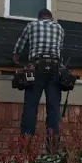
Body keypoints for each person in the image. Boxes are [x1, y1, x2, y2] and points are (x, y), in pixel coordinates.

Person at [13, 9, 64, 150]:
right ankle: (52, 147)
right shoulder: (59, 28)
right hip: (54, 68)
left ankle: (26, 147)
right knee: (53, 108)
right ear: (51, 18)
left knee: (30, 107)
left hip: (36, 68)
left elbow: (20, 43)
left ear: (39, 17)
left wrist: (16, 56)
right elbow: (60, 49)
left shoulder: (32, 26)